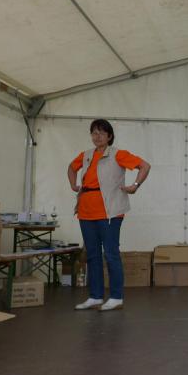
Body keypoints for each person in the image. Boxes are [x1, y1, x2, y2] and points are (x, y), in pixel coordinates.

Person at [67, 119, 151, 311]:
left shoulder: (118, 154)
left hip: (110, 211)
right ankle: (95, 296)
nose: (97, 137)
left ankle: (116, 297)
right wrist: (73, 185)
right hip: (86, 211)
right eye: (94, 133)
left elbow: (145, 166)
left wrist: (135, 186)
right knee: (92, 254)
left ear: (109, 136)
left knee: (111, 253)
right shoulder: (86, 155)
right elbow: (71, 167)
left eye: (101, 133)